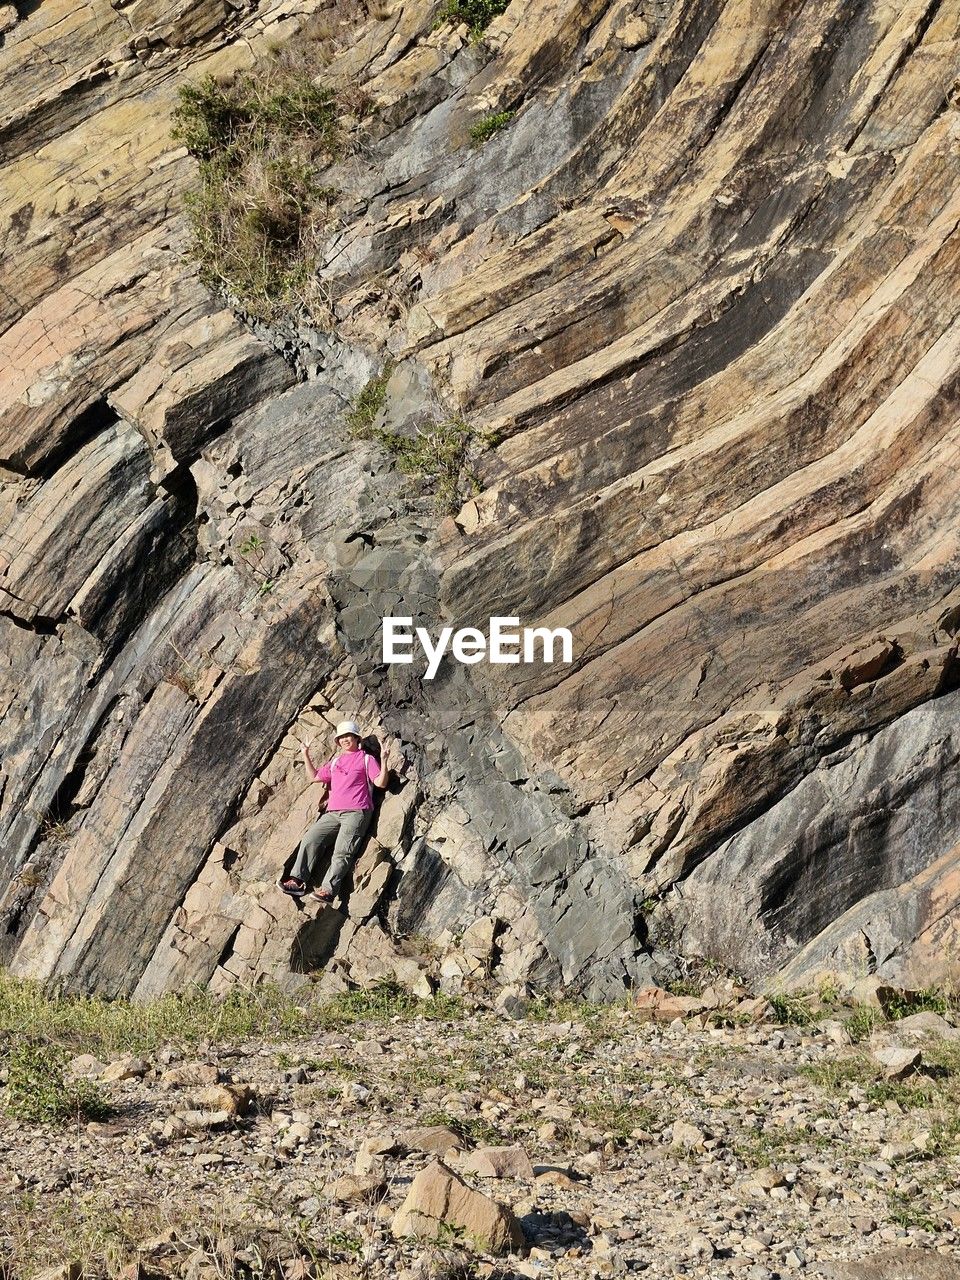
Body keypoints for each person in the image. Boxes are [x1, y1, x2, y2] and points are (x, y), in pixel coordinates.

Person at [279, 720, 398, 904]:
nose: (344, 740)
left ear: (357, 738)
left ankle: (327, 891)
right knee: (310, 839)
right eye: (341, 737)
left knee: (342, 852)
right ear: (337, 741)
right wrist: (305, 754)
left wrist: (384, 759)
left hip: (357, 812)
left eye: (348, 736)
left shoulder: (366, 759)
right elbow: (315, 777)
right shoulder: (335, 762)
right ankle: (297, 881)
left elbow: (380, 783)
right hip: (332, 813)